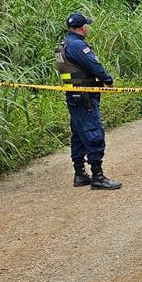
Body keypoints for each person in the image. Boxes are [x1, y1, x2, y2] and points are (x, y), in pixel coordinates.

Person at [55, 12, 123, 190]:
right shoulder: (78, 45)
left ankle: (80, 174)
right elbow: (94, 65)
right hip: (85, 96)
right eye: (87, 25)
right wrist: (108, 80)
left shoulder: (64, 44)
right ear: (82, 27)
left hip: (73, 95)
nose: (88, 28)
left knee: (78, 134)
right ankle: (97, 177)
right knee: (94, 133)